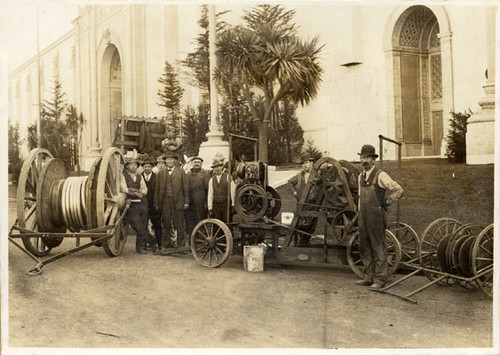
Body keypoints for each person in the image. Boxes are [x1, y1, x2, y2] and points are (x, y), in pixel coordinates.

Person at [356, 144, 403, 289]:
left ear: (373, 159)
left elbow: (398, 190)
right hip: (363, 216)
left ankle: (380, 279)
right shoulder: (360, 176)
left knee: (378, 247)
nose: (365, 161)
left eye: (368, 158)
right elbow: (359, 197)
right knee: (364, 246)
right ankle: (368, 277)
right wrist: (359, 212)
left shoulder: (380, 175)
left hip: (376, 216)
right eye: (363, 157)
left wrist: (387, 202)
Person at [154, 153, 189, 252]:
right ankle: (166, 245)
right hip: (165, 202)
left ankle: (181, 246)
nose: (169, 161)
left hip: (178, 202)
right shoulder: (160, 173)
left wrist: (186, 202)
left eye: (171, 159)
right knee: (166, 224)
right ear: (165, 161)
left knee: (180, 224)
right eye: (167, 160)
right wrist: (156, 203)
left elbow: (186, 188)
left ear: (174, 161)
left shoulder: (181, 172)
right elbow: (157, 190)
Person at [121, 157, 154, 254]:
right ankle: (153, 242)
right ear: (127, 166)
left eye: (135, 165)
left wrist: (137, 191)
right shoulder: (123, 176)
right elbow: (123, 189)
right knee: (139, 226)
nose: (133, 166)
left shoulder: (140, 176)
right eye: (131, 164)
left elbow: (145, 190)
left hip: (142, 203)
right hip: (130, 204)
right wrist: (134, 192)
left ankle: (140, 247)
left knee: (143, 224)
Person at [287, 155, 320, 246]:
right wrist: (294, 193)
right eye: (303, 163)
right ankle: (300, 244)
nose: (304, 165)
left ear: (311, 163)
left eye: (306, 163)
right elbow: (289, 182)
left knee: (311, 225)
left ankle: (305, 242)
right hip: (301, 205)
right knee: (300, 225)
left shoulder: (317, 175)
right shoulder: (299, 175)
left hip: (313, 205)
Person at [185, 157, 211, 237]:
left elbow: (208, 190)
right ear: (192, 163)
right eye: (195, 162)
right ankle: (192, 239)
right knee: (191, 221)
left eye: (198, 162)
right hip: (190, 203)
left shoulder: (205, 174)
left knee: (200, 221)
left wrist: (207, 203)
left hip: (200, 203)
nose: (196, 164)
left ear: (201, 164)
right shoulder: (188, 174)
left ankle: (201, 238)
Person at [142, 159, 162, 252]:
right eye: (145, 166)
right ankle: (145, 243)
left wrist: (157, 204)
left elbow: (158, 191)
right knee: (143, 224)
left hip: (154, 205)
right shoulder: (139, 177)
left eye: (149, 166)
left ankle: (159, 243)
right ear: (142, 167)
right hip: (142, 205)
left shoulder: (157, 177)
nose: (147, 168)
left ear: (152, 168)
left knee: (157, 224)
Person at [207, 158, 235, 223]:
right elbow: (210, 194)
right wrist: (210, 208)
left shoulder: (228, 177)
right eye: (215, 167)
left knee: (227, 222)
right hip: (216, 205)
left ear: (222, 167)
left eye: (219, 166)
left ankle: (228, 233)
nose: (217, 169)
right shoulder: (211, 180)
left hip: (226, 204)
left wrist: (233, 204)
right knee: (217, 224)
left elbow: (232, 192)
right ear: (213, 169)